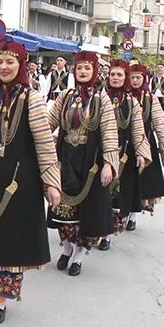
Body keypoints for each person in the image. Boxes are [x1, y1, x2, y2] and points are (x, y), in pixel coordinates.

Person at [0, 40, 61, 325]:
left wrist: (52, 183)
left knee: (12, 242)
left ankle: (2, 301)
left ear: (21, 65)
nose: (4, 67)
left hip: (19, 185)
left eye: (11, 62)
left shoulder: (32, 99)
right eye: (1, 62)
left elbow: (44, 143)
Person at [46, 51, 119, 277]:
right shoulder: (66, 96)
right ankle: (67, 248)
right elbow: (49, 123)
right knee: (62, 209)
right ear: (74, 71)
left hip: (90, 162)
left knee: (85, 214)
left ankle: (78, 255)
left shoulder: (101, 98)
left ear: (95, 71)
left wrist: (109, 163)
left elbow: (108, 131)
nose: (83, 72)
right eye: (79, 68)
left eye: (88, 68)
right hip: (66, 158)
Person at [100, 60, 151, 250]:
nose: (115, 78)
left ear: (125, 78)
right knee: (100, 193)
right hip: (101, 153)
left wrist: (141, 153)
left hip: (124, 155)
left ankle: (107, 236)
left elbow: (138, 130)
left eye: (119, 75)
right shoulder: (99, 97)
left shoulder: (132, 102)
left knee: (117, 196)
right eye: (112, 74)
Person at [129, 64, 164, 224]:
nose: (134, 81)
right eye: (132, 77)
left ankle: (133, 216)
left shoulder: (150, 99)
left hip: (145, 142)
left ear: (144, 79)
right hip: (126, 143)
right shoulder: (123, 96)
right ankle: (123, 213)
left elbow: (160, 122)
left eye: (138, 78)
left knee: (142, 181)